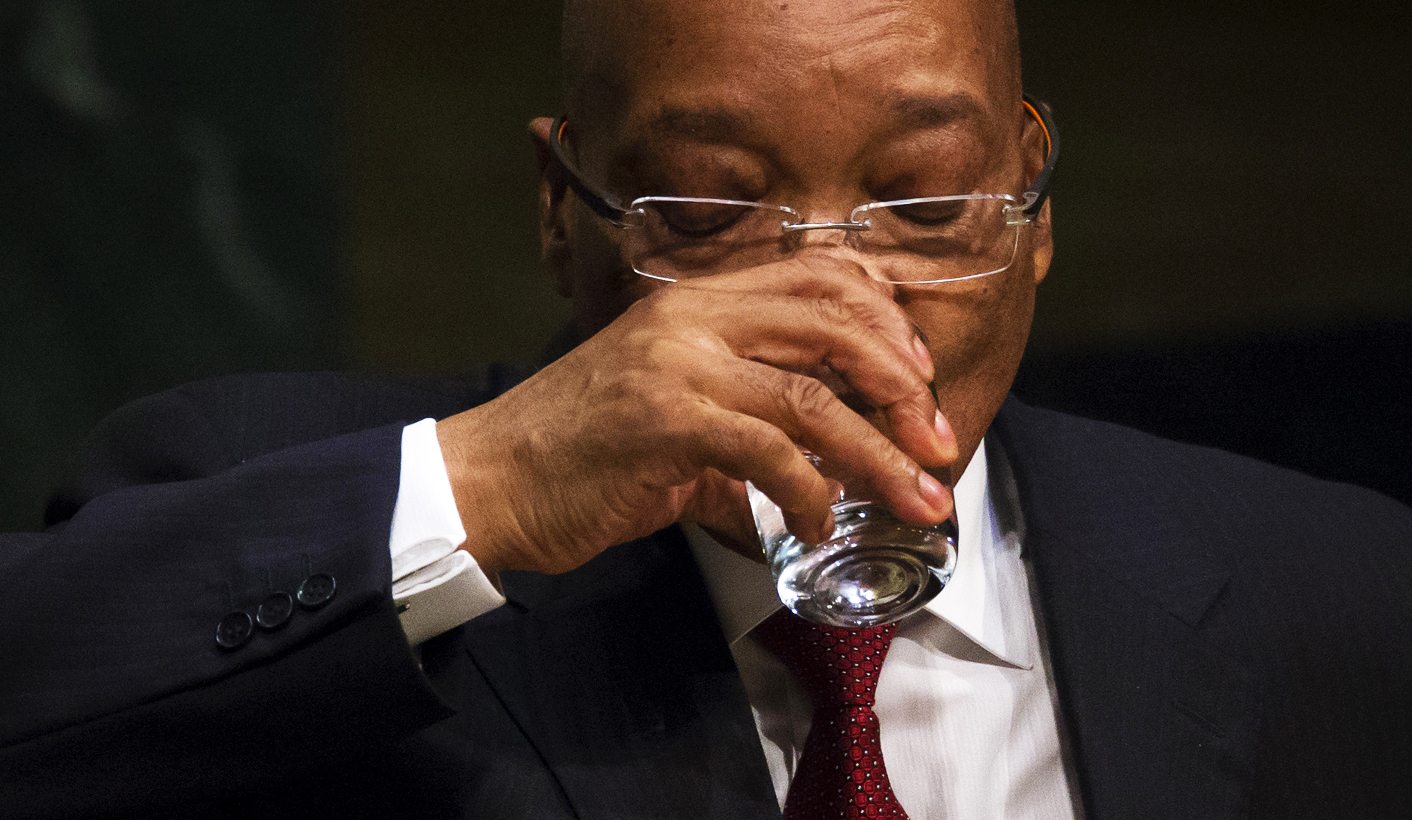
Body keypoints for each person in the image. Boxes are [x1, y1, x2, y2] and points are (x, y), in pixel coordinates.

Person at [3, 0, 1410, 817]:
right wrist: (487, 488)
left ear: (1032, 198)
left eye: (922, 204)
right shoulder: (253, 482)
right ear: (564, 211)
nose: (837, 302)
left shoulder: (1341, 593)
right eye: (716, 211)